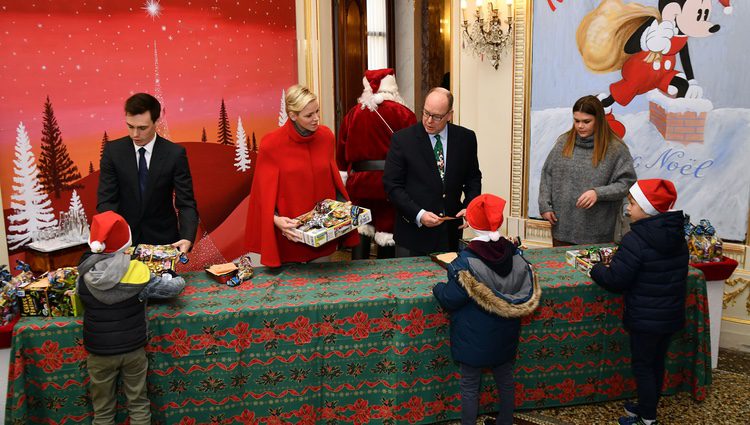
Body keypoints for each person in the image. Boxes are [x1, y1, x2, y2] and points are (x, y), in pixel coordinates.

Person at [432, 194, 540, 425]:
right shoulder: (515, 255)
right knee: (506, 379)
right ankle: (505, 421)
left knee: (470, 385)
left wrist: (438, 288)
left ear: (470, 223)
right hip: (506, 335)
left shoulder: (467, 262)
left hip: (473, 338)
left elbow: (451, 299)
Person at [590, 179, 688, 425]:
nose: (628, 209)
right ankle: (647, 405)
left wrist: (596, 269)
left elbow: (616, 280)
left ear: (646, 209)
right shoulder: (677, 236)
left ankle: (647, 418)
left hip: (645, 320)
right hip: (669, 317)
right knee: (657, 363)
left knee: (643, 366)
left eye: (632, 204)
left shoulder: (636, 240)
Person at [76, 211, 186, 425]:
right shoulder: (138, 271)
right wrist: (173, 275)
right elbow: (173, 289)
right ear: (127, 242)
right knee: (138, 404)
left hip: (99, 353)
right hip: (133, 349)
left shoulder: (82, 277)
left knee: (103, 411)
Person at [245, 84, 358, 267]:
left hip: (321, 235)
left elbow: (332, 180)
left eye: (317, 112)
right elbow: (262, 193)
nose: (316, 119)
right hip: (290, 235)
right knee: (290, 292)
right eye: (309, 115)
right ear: (292, 115)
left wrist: (343, 206)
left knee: (322, 288)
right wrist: (275, 220)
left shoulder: (326, 136)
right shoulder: (271, 144)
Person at [383, 87, 482, 256]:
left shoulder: (466, 138)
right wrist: (419, 214)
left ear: (449, 115)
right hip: (413, 236)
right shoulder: (402, 140)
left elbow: (473, 178)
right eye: (426, 113)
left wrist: (470, 206)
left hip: (450, 234)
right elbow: (392, 187)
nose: (429, 120)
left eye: (436, 116)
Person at [97, 93, 198, 254]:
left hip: (164, 242)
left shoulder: (174, 154)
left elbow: (186, 203)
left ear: (157, 121)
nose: (135, 134)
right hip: (124, 243)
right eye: (130, 126)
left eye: (142, 128)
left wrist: (187, 237)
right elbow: (106, 201)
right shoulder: (113, 152)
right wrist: (113, 236)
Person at [336, 68, 417, 259]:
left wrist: (344, 177)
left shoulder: (352, 114)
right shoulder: (404, 113)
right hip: (390, 184)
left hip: (359, 183)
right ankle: (385, 279)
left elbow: (341, 150)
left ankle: (358, 272)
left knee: (361, 229)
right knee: (387, 232)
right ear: (392, 87)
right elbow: (414, 150)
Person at [538, 94, 636, 246]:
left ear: (599, 120)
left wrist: (598, 193)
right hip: (562, 227)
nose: (580, 126)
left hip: (598, 233)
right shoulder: (564, 142)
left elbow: (626, 184)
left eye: (586, 121)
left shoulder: (616, 149)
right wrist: (545, 205)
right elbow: (547, 175)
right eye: (576, 121)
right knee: (561, 269)